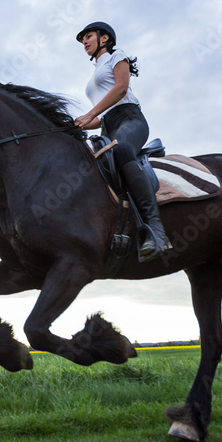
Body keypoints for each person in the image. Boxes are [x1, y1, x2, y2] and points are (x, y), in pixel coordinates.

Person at [73, 21, 171, 262]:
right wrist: (81, 123)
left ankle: (156, 230)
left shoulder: (117, 56)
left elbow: (120, 89)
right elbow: (102, 117)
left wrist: (90, 114)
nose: (84, 42)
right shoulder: (95, 72)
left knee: (123, 149)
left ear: (104, 38)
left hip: (131, 120)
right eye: (83, 39)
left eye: (88, 36)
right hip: (108, 126)